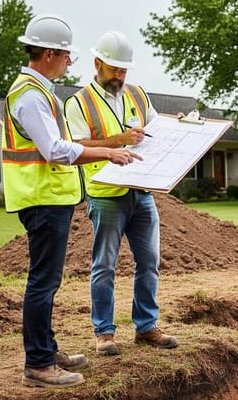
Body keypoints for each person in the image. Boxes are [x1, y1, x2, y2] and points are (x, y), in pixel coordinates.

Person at [2, 15, 141, 388]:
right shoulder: (30, 95)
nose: (69, 62)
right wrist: (105, 153)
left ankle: (46, 349)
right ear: (49, 53)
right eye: (66, 55)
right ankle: (39, 364)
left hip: (49, 198)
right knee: (43, 283)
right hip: (41, 199)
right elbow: (54, 150)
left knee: (48, 280)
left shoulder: (38, 91)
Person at [65, 31, 179, 356]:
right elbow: (75, 146)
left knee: (150, 262)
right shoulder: (79, 103)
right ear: (97, 63)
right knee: (105, 265)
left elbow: (157, 129)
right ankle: (104, 333)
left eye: (124, 70)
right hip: (106, 195)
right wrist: (117, 141)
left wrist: (178, 125)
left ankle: (146, 326)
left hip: (141, 193)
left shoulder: (138, 96)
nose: (120, 75)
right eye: (114, 69)